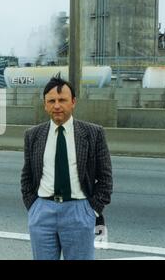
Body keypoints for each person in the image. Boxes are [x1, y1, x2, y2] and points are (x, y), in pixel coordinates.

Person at [20, 74, 113, 260]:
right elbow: (27, 176)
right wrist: (34, 206)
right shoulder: (33, 135)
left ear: (73, 102)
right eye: (51, 101)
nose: (57, 105)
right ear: (45, 104)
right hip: (42, 213)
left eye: (62, 100)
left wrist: (92, 210)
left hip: (79, 212)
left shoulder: (93, 133)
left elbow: (105, 178)